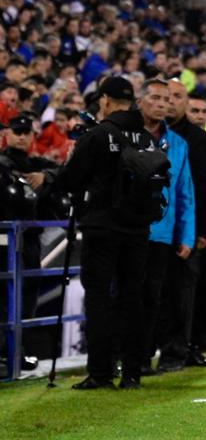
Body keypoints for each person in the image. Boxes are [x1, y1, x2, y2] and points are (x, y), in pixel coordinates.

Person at [56, 77, 164, 389]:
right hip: (139, 229)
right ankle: (132, 372)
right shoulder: (146, 138)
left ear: (104, 100)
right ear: (131, 101)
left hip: (102, 227)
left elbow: (71, 180)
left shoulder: (99, 134)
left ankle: (101, 373)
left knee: (100, 299)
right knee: (133, 299)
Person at [163, 79, 206, 369]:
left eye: (203, 111)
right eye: (195, 109)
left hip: (195, 228)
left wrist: (203, 230)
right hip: (162, 227)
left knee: (195, 292)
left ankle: (188, 347)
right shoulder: (153, 134)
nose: (199, 115)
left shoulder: (204, 142)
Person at [139, 79, 195, 376]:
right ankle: (123, 355)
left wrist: (186, 234)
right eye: (156, 98)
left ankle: (143, 357)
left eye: (166, 99)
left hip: (161, 232)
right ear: (141, 101)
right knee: (125, 296)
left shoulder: (178, 144)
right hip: (129, 229)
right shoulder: (128, 135)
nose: (162, 104)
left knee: (152, 297)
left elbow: (184, 192)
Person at [0, 114, 60, 373]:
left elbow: (62, 171)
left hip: (30, 241)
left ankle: (17, 352)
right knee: (5, 299)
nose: (22, 136)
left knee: (26, 300)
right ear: (7, 135)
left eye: (26, 132)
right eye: (17, 131)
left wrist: (45, 175)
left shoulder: (36, 163)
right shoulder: (2, 163)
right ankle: (6, 354)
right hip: (5, 240)